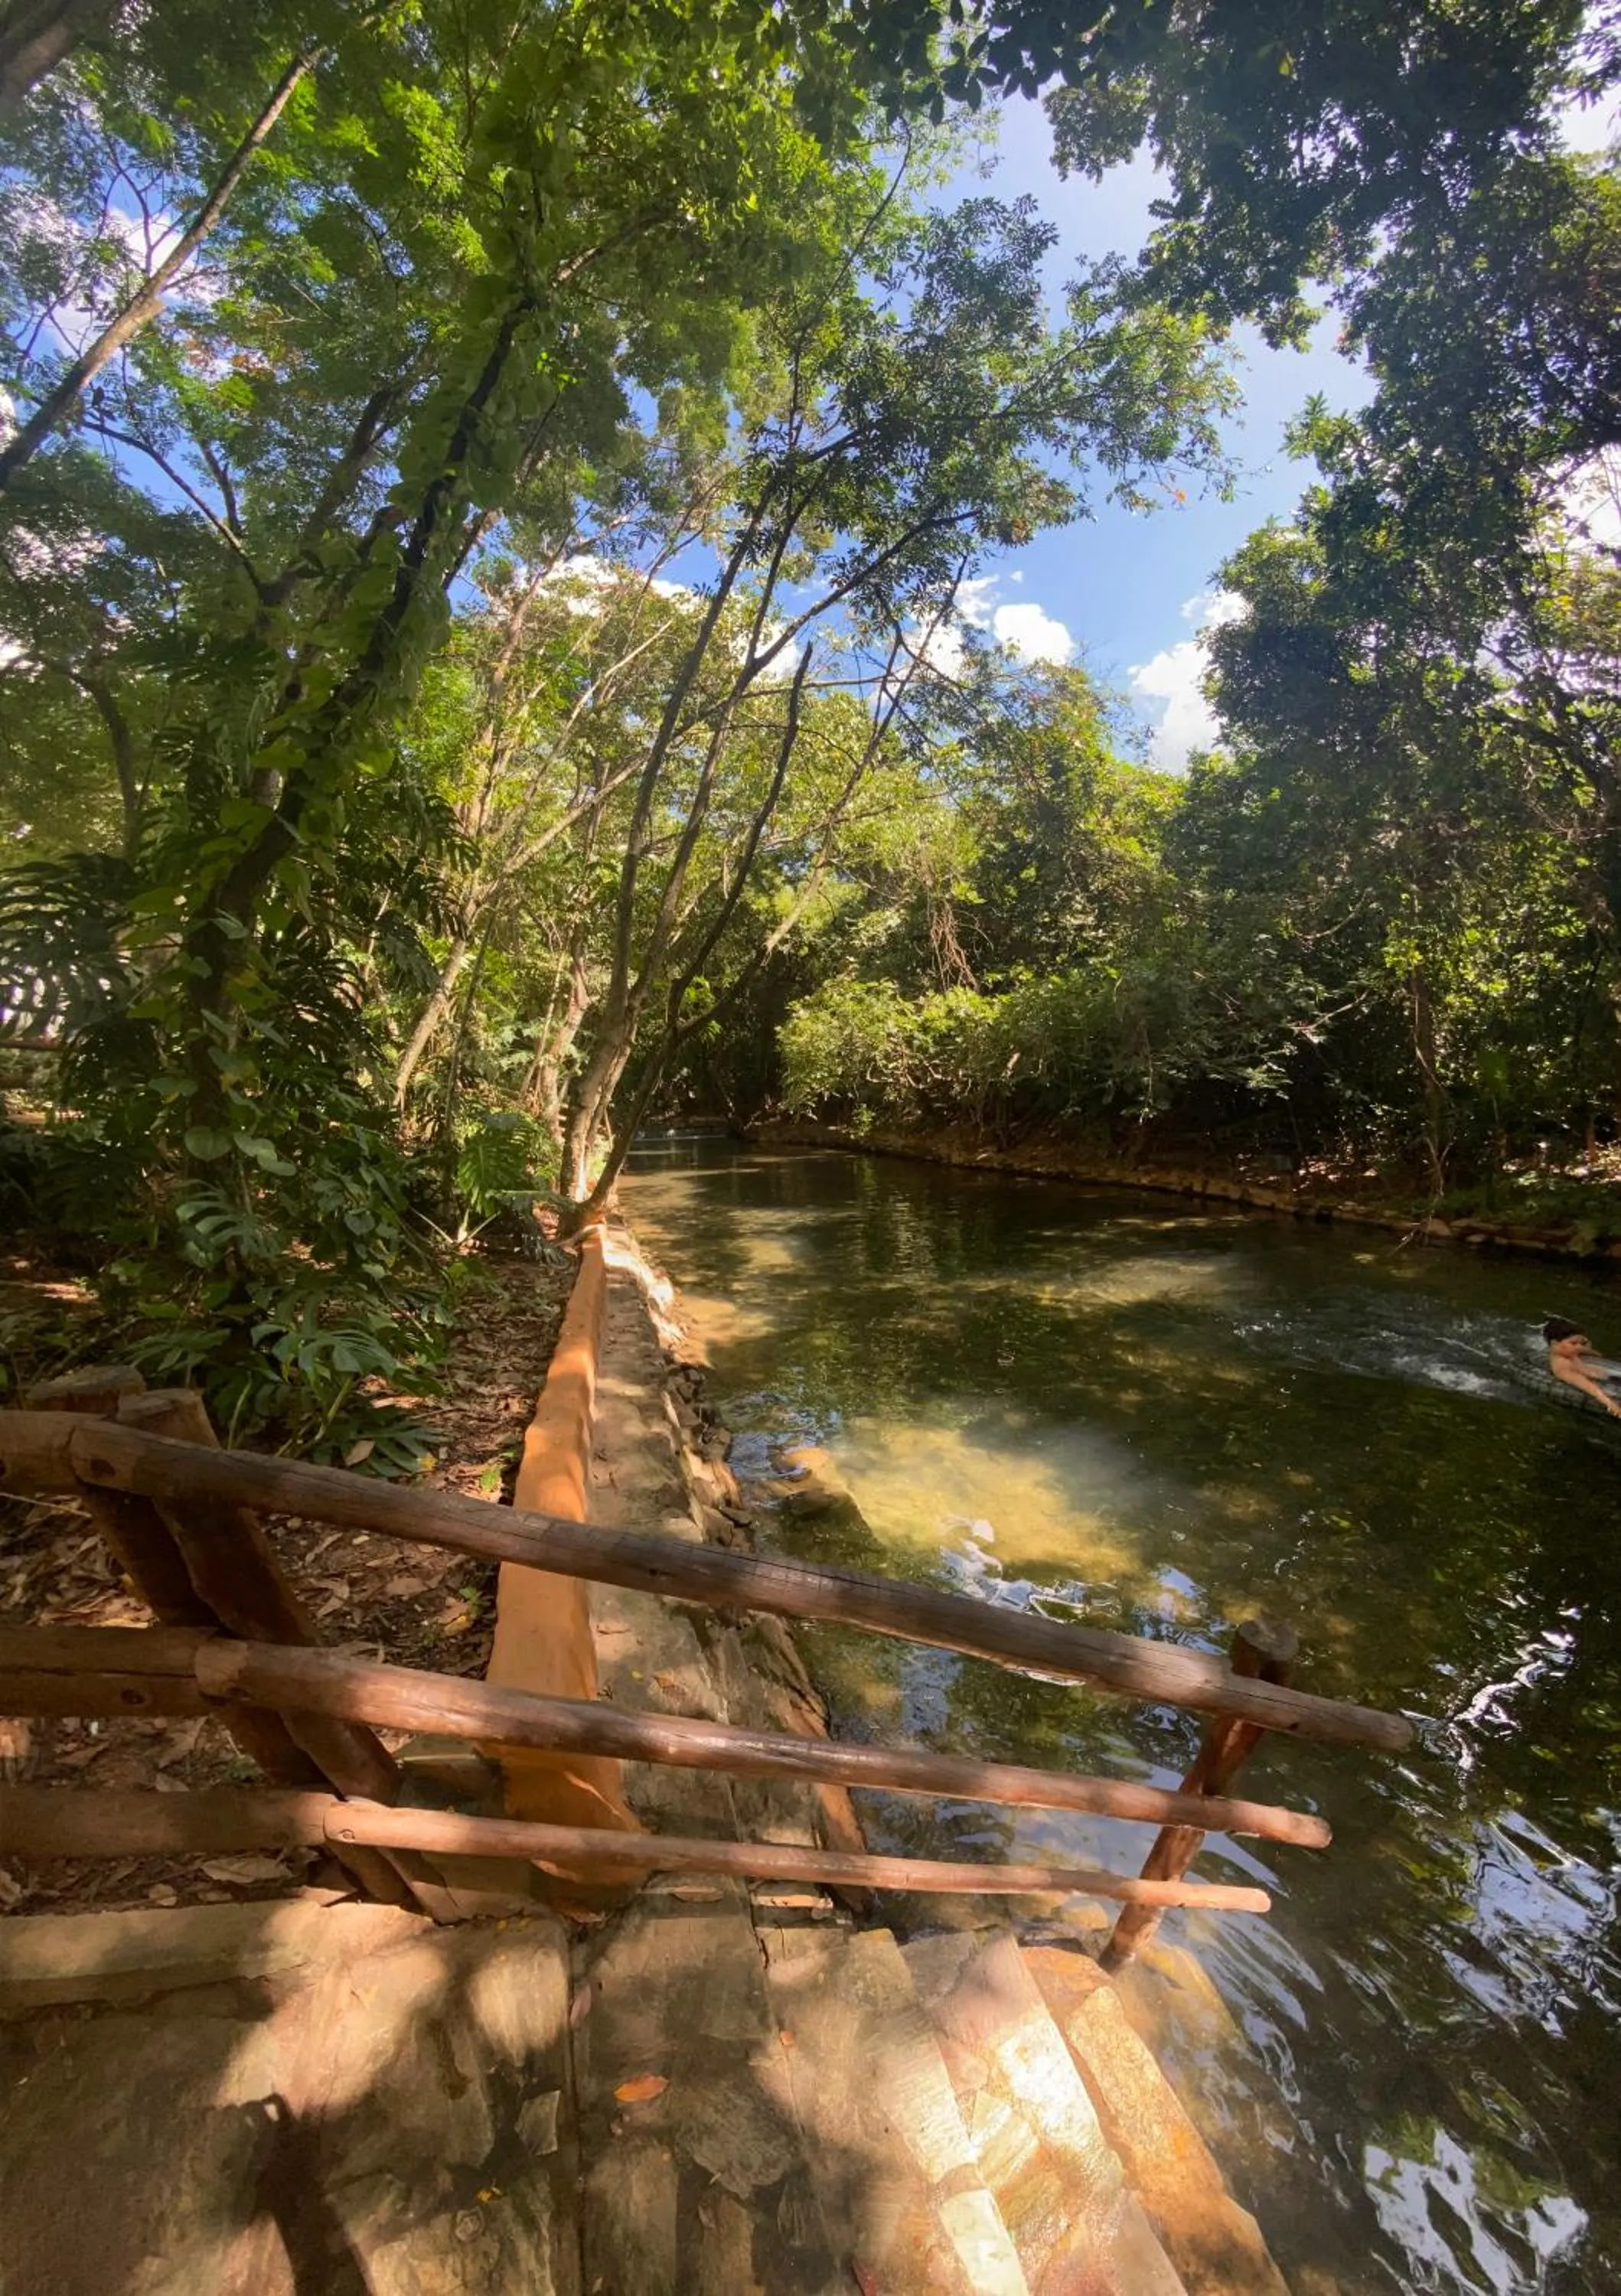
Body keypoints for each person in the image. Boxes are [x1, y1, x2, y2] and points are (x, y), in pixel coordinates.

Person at [1541, 1318, 1621, 1418]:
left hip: (1605, 1375)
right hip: (1608, 1379)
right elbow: (1589, 1387)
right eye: (1573, 1343)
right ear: (1554, 1344)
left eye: (1580, 1343)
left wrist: (1594, 1352)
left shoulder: (1569, 1354)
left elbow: (1584, 1348)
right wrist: (1612, 1405)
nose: (1579, 1347)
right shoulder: (1563, 1368)